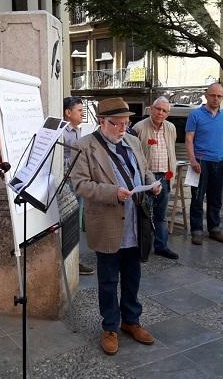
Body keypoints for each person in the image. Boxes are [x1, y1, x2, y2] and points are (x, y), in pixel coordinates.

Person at [70, 97, 161, 355]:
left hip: (135, 222)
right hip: (108, 224)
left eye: (126, 123)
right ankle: (110, 327)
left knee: (133, 277)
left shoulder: (132, 141)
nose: (123, 128)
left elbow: (145, 171)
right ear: (102, 122)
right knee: (108, 281)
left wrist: (152, 184)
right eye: (117, 124)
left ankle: (131, 320)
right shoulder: (84, 146)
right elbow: (79, 184)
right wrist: (112, 193)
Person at [185, 83, 223, 245]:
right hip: (201, 161)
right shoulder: (195, 115)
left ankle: (214, 228)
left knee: (216, 196)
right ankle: (197, 230)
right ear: (206, 95)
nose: (216, 98)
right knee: (198, 197)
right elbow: (189, 139)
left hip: (220, 161)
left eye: (219, 96)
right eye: (213, 95)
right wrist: (192, 160)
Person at [133, 96, 179, 260]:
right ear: (151, 109)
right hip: (146, 178)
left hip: (164, 177)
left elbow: (171, 151)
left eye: (164, 110)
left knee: (161, 214)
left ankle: (161, 246)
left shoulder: (171, 128)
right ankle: (141, 248)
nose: (161, 112)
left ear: (168, 113)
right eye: (158, 109)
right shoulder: (139, 127)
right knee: (143, 214)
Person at [63, 96, 95, 275]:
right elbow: (60, 158)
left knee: (75, 221)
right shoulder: (63, 132)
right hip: (67, 182)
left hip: (78, 180)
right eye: (79, 111)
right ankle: (69, 261)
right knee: (69, 222)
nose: (82, 113)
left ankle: (75, 261)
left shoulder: (78, 131)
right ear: (68, 113)